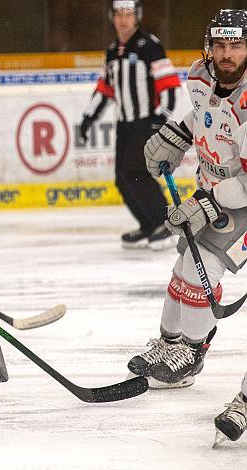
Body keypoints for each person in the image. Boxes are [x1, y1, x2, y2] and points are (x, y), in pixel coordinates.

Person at [125, 9, 247, 445]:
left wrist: (207, 202)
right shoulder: (200, 74)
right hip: (215, 191)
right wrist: (175, 137)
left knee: (202, 270)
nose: (227, 54)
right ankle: (171, 341)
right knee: (182, 270)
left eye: (236, 45)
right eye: (220, 45)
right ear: (209, 47)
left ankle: (191, 353)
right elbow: (202, 115)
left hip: (243, 201)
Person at [79, 0, 180, 250]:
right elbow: (105, 89)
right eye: (119, 14)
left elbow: (168, 85)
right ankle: (148, 224)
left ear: (137, 17)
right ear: (112, 17)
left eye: (128, 14)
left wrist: (158, 120)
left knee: (136, 173)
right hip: (124, 125)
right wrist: (88, 118)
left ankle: (165, 224)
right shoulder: (113, 50)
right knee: (121, 179)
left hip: (145, 122)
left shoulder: (151, 46)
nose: (123, 19)